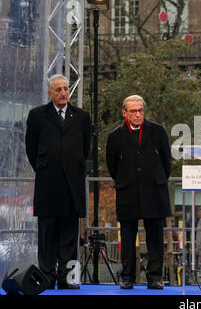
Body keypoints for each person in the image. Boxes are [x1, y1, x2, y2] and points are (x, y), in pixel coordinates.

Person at [25, 74, 92, 290]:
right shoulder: (37, 115)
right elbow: (31, 148)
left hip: (72, 185)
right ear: (50, 93)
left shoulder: (81, 116)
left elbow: (85, 147)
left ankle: (67, 278)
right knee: (47, 235)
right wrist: (45, 168)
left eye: (66, 89)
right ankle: (47, 277)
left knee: (69, 235)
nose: (63, 93)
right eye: (59, 90)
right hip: (48, 185)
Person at [106, 94, 172, 290]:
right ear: (124, 113)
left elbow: (167, 162)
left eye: (140, 110)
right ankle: (127, 277)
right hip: (128, 192)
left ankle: (155, 277)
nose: (137, 114)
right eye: (133, 111)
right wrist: (125, 180)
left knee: (155, 237)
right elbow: (112, 166)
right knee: (127, 237)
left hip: (154, 191)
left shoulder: (158, 131)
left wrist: (156, 179)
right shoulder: (114, 136)